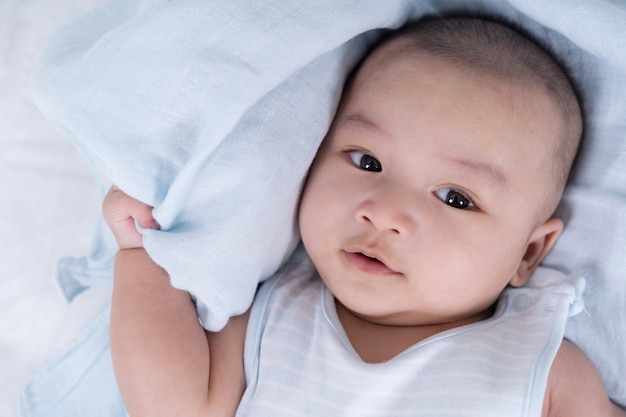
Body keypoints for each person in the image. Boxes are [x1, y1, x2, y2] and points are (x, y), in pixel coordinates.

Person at [103, 16, 626, 417]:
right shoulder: (274, 315)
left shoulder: (539, 363)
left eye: (455, 197)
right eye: (367, 161)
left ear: (528, 252)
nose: (385, 213)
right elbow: (176, 406)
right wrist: (143, 261)